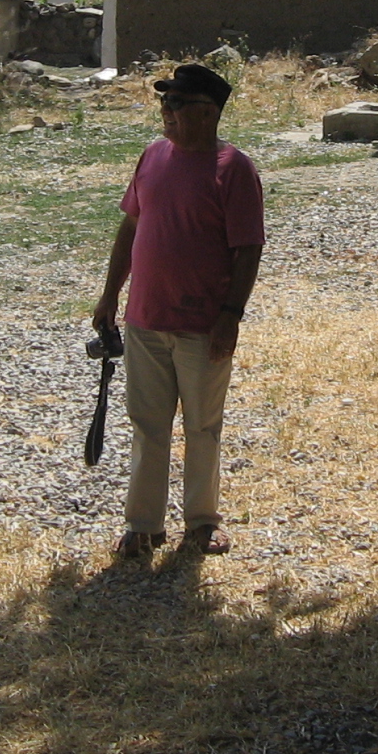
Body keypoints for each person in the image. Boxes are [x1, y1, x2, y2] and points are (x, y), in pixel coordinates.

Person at [93, 62, 266, 559]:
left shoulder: (233, 169)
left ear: (208, 112)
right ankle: (143, 525)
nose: (166, 112)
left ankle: (202, 522)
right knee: (148, 425)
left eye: (177, 103)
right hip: (146, 319)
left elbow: (248, 248)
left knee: (202, 426)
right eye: (163, 102)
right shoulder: (152, 156)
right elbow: (131, 227)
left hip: (202, 324)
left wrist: (230, 315)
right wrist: (110, 294)